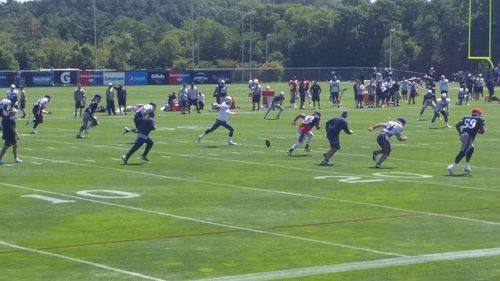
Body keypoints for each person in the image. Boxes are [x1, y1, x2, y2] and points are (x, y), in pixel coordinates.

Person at [447, 108, 485, 175]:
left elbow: (457, 125)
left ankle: (466, 165)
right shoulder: (479, 119)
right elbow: (482, 131)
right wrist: (476, 130)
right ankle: (452, 166)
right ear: (478, 114)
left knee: (471, 148)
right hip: (468, 137)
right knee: (463, 152)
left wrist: (460, 133)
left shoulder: (466, 117)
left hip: (463, 136)